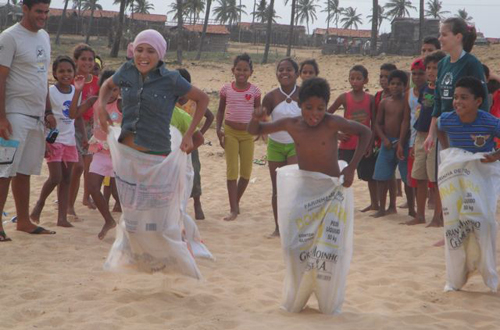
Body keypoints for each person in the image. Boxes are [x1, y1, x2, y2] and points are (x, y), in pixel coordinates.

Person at [97, 28, 208, 160]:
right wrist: (101, 107)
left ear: (159, 54)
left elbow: (203, 99)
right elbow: (107, 85)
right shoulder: (126, 71)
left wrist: (189, 134)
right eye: (139, 50)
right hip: (125, 154)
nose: (143, 55)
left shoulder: (171, 79)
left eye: (150, 51)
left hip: (157, 156)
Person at [248, 77, 371, 186]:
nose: (314, 113)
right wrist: (255, 118)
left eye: (320, 108)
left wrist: (351, 167)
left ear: (326, 106)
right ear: (299, 104)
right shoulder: (292, 125)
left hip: (331, 186)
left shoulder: (332, 123)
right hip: (306, 187)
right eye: (308, 108)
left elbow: (365, 132)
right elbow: (254, 130)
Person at [0, 0, 55, 241]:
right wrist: (1, 117)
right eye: (38, 11)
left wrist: (48, 111)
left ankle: (23, 221)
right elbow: (0, 78)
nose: (43, 16)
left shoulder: (44, 36)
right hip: (14, 114)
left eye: (46, 11)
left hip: (36, 116)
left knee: (25, 170)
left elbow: (43, 77)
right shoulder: (10, 37)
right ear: (25, 9)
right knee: (4, 169)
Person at [30, 56, 92, 228]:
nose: (66, 74)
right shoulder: (49, 91)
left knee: (66, 179)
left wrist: (84, 138)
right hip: (53, 139)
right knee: (55, 177)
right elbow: (43, 115)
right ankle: (40, 204)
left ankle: (62, 217)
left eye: (69, 71)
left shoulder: (74, 90)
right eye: (61, 71)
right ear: (55, 73)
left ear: (74, 72)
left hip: (70, 140)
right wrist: (43, 141)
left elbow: (76, 116)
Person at [424, 17, 489, 152]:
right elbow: (438, 101)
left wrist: (479, 131)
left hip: (466, 131)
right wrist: (431, 134)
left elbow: (483, 101)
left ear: (458, 37)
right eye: (440, 34)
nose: (440, 39)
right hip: (444, 130)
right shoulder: (442, 64)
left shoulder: (471, 63)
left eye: (444, 35)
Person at [70, 70, 120, 239]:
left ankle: (134, 226)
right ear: (101, 87)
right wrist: (77, 91)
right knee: (92, 187)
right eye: (108, 88)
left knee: (121, 192)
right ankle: (109, 220)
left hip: (119, 155)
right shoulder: (94, 101)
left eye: (115, 89)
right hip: (100, 151)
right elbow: (72, 114)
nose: (111, 93)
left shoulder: (122, 105)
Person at [216, 53, 261, 221]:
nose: (241, 72)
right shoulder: (225, 89)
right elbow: (220, 110)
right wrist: (218, 129)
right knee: (232, 170)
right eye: (238, 69)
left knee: (246, 173)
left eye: (245, 70)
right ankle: (233, 209)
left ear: (251, 72)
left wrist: (259, 129)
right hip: (230, 132)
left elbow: (258, 112)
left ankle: (236, 201)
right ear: (233, 70)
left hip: (248, 134)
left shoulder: (255, 91)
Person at [328, 65, 377, 212]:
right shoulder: (344, 97)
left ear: (366, 80)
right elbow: (327, 116)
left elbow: (374, 123)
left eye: (358, 78)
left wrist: (370, 143)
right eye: (352, 78)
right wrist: (336, 134)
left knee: (370, 176)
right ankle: (339, 204)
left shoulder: (371, 99)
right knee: (341, 174)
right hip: (346, 145)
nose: (355, 81)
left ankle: (375, 203)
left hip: (363, 145)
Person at [261, 58, 301, 237]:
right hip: (275, 145)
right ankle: (278, 227)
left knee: (292, 187)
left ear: (297, 74)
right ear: (276, 74)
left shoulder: (303, 93)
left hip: (296, 145)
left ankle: (292, 226)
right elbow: (263, 119)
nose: (285, 73)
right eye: (281, 70)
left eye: (289, 69)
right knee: (277, 188)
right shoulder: (271, 97)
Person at [410, 51, 446, 227]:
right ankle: (420, 215)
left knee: (436, 179)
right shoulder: (425, 88)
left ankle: (437, 217)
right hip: (420, 135)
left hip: (435, 136)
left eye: (435, 68)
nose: (431, 71)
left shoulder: (443, 90)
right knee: (420, 177)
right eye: (429, 68)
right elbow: (419, 111)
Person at [372, 70, 414, 218]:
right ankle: (383, 208)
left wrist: (401, 143)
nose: (395, 87)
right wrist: (384, 139)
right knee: (382, 176)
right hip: (387, 144)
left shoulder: (406, 102)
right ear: (388, 86)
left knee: (407, 178)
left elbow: (405, 122)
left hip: (403, 143)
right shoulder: (384, 103)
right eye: (393, 84)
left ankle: (412, 209)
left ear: (405, 85)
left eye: (399, 84)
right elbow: (377, 123)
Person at [176, 68, 214, 220]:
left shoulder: (193, 102)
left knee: (195, 171)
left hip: (190, 143)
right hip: (173, 144)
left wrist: (199, 134)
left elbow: (210, 116)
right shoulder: (171, 101)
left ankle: (197, 203)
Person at [68, 43, 100, 217]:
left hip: (91, 127)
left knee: (89, 166)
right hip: (73, 126)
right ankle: (69, 205)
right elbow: (76, 111)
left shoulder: (97, 82)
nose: (87, 63)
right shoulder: (72, 81)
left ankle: (86, 197)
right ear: (76, 61)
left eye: (90, 59)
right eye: (83, 59)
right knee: (77, 166)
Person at [437, 76, 500, 161]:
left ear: (478, 101)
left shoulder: (490, 122)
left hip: (483, 168)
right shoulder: (447, 119)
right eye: (455, 97)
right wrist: (446, 149)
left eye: (463, 97)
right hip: (458, 168)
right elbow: (437, 124)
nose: (458, 102)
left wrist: (495, 156)